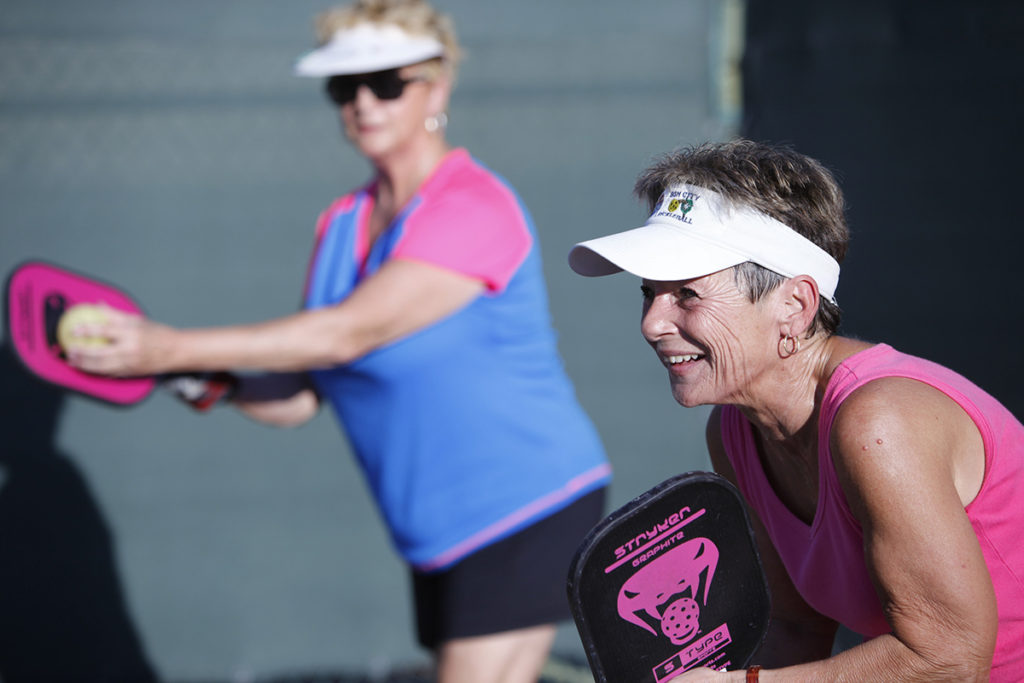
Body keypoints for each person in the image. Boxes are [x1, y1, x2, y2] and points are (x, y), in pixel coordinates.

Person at [65, 1, 611, 680]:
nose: (362, 101)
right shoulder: (342, 222)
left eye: (385, 82)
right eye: (343, 87)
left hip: (527, 503)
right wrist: (185, 373)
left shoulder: (473, 206)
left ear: (436, 88)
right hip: (435, 533)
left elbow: (349, 331)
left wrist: (169, 344)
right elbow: (300, 394)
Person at [568, 139, 1024, 681]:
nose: (652, 323)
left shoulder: (880, 426)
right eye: (650, 293)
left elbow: (949, 659)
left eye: (687, 294)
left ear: (795, 305)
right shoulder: (736, 429)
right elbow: (795, 627)